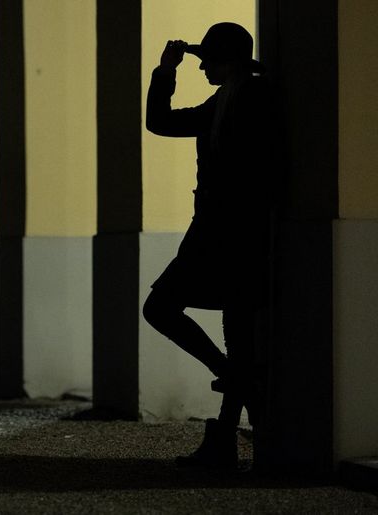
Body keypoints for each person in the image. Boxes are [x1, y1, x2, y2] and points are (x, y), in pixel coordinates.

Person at [143, 22, 277, 468]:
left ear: (229, 62)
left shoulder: (246, 99)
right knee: (233, 336)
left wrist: (167, 71)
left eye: (208, 61)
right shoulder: (228, 100)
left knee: (169, 309)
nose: (202, 67)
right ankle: (232, 395)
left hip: (229, 232)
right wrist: (166, 71)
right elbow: (160, 123)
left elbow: (161, 123)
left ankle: (227, 433)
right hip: (226, 231)